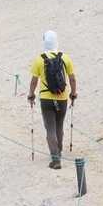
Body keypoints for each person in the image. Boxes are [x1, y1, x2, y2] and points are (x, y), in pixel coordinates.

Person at [27, 30, 77, 169]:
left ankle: (55, 159)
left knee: (50, 128)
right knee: (59, 126)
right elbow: (72, 78)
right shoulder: (65, 58)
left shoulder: (39, 59)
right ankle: (58, 152)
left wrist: (31, 95)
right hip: (62, 98)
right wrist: (73, 93)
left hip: (46, 99)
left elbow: (34, 81)